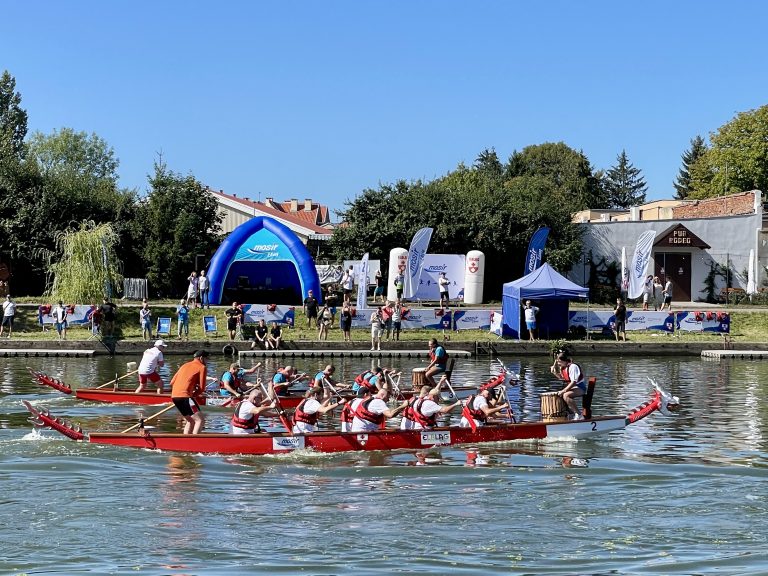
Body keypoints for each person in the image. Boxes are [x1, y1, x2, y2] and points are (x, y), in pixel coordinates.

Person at [170, 349, 209, 434]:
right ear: (201, 358)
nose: (207, 361)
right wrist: (194, 395)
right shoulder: (202, 367)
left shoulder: (184, 365)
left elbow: (172, 382)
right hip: (186, 397)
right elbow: (202, 388)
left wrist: (192, 385)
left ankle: (185, 441)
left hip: (174, 396)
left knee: (191, 421)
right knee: (200, 420)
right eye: (207, 359)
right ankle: (195, 443)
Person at [550, 352, 585, 420]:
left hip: (580, 388)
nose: (558, 364)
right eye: (557, 362)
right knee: (559, 395)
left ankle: (579, 415)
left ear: (564, 361)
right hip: (573, 387)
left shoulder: (573, 367)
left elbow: (574, 382)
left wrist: (563, 391)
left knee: (566, 395)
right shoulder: (563, 368)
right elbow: (562, 378)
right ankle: (571, 413)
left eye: (559, 362)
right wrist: (554, 373)